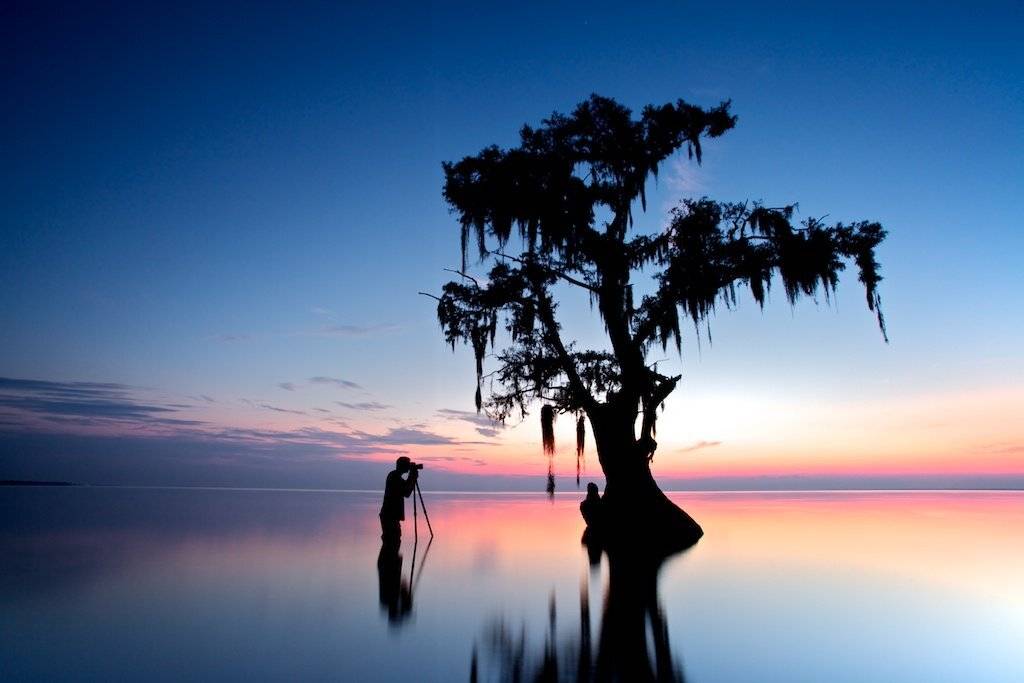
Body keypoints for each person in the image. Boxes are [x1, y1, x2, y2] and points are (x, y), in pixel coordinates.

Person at [380, 456, 418, 545]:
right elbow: (406, 492)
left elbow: (406, 490)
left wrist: (412, 477)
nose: (409, 468)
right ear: (403, 466)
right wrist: (412, 477)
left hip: (390, 516)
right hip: (390, 516)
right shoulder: (394, 477)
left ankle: (392, 558)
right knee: (392, 539)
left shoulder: (396, 476)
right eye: (407, 465)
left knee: (394, 539)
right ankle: (391, 558)